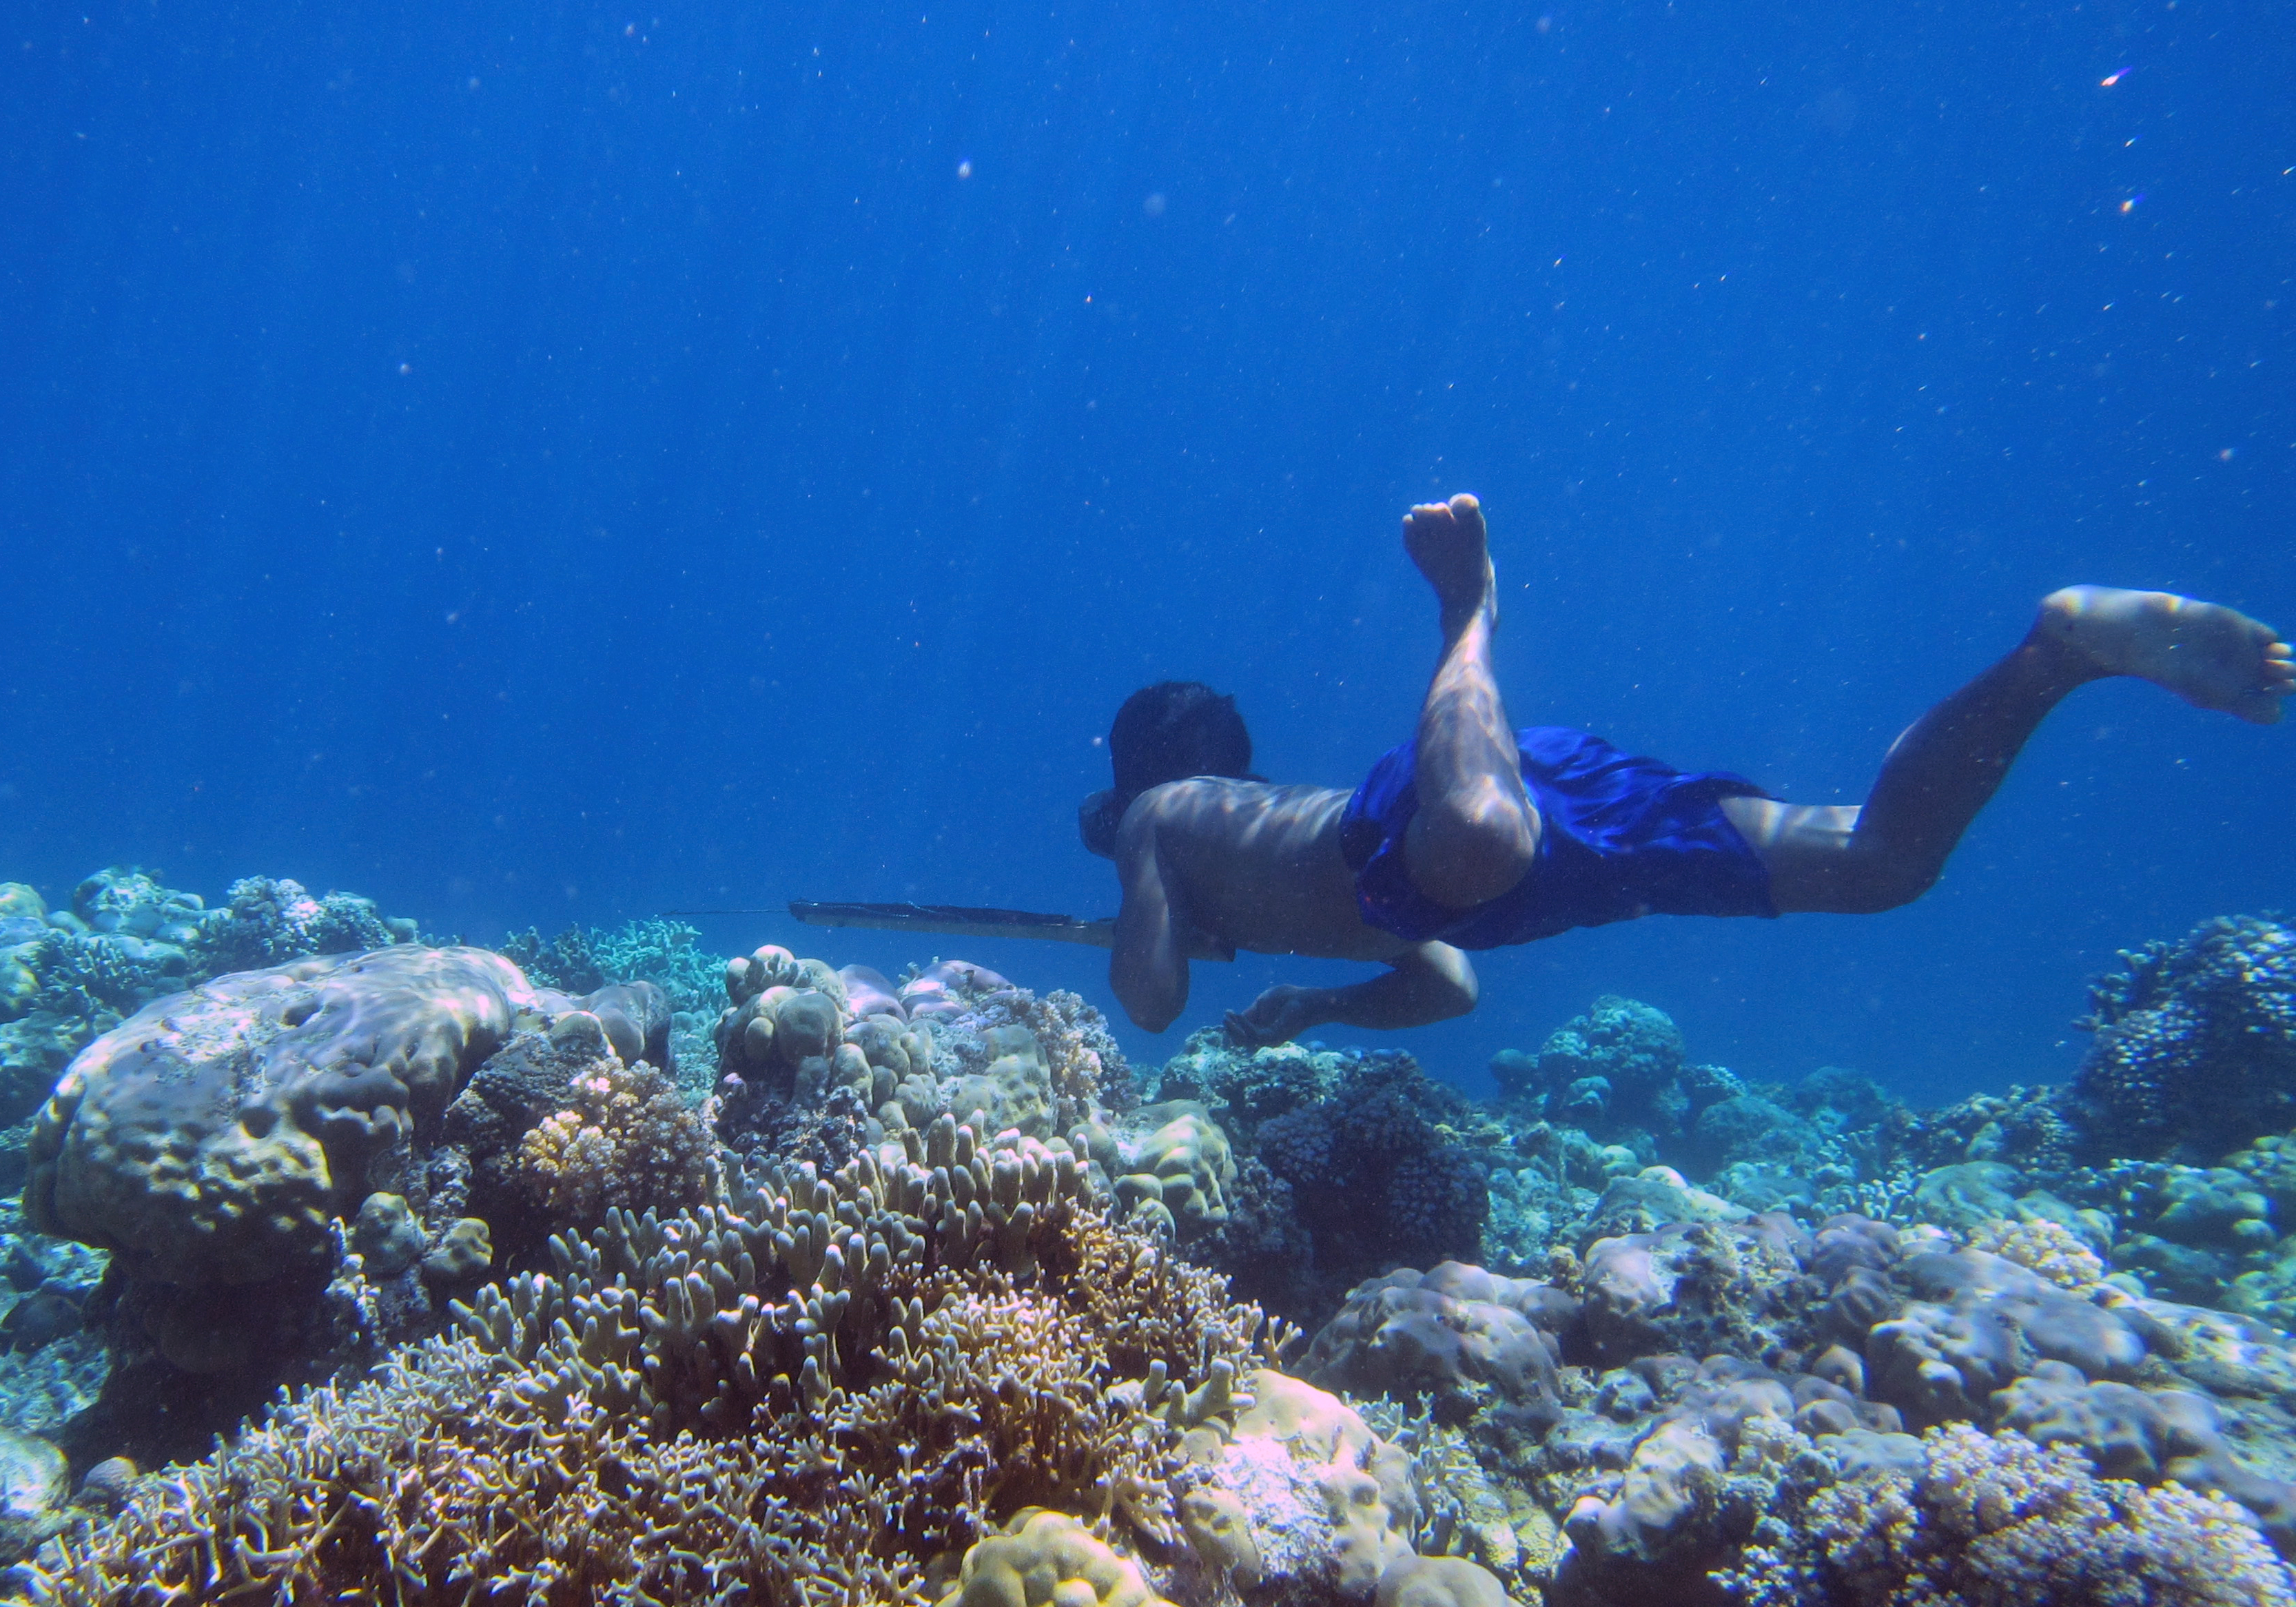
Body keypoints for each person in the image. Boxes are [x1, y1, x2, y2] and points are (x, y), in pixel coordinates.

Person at [1077, 493, 2294, 1047]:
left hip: (1433, 823)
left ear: (1146, 771)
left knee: (1479, 842)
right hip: (1504, 839)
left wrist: (1158, 909)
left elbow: (1150, 1001)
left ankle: (1468, 610)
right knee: (1882, 861)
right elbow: (1450, 984)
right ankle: (2055, 657)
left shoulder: (1164, 816)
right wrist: (1319, 1006)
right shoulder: (1219, 817)